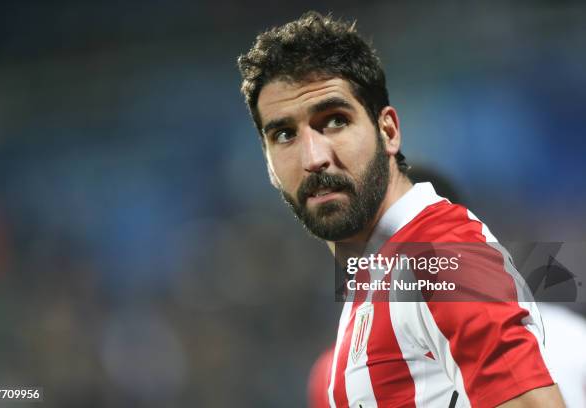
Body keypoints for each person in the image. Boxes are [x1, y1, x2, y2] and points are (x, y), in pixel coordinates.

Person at [237, 11, 565, 407]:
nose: (313, 157)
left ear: (388, 131)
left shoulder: (437, 252)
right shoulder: (375, 273)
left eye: (335, 121)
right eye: (285, 134)